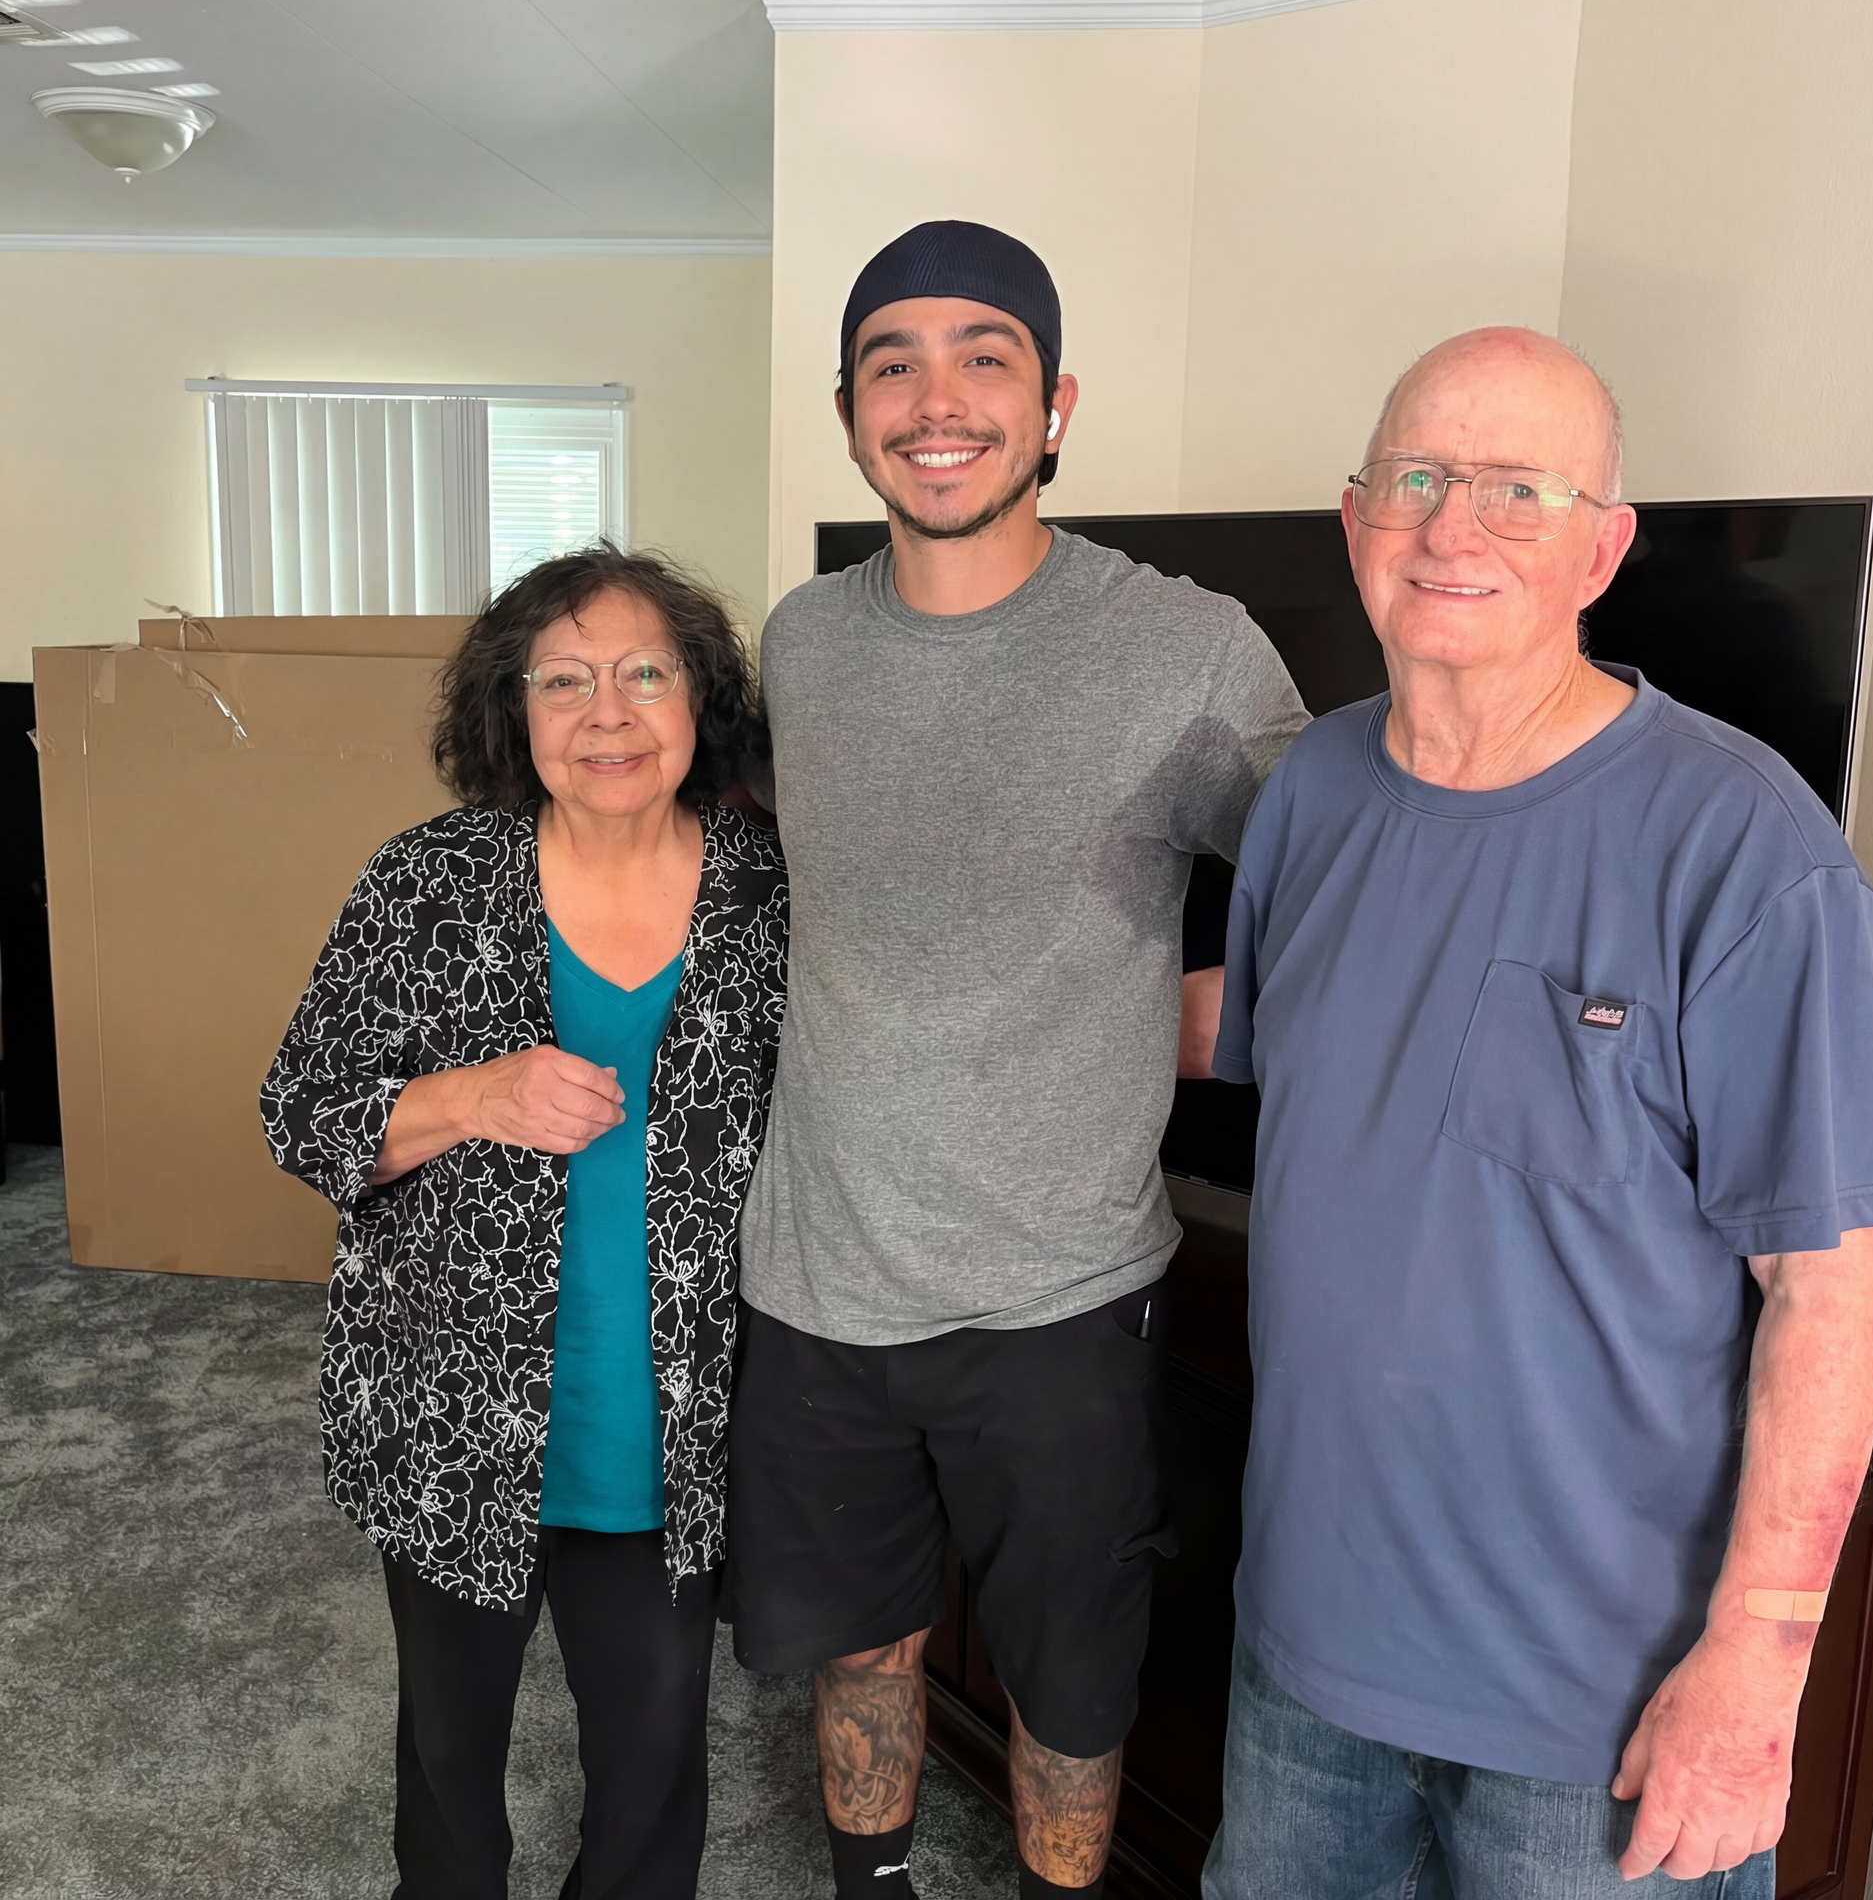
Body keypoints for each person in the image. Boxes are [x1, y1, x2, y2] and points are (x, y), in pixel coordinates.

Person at [1203, 327, 1873, 1896]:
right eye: (1415, 479)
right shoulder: (1309, 797)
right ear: (1354, 520)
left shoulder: (1746, 850)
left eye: (1518, 489)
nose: (1452, 526)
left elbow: (1837, 1284)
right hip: (1304, 1662)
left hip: (1600, 1716)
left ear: (1603, 548)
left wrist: (1759, 1669)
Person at [722, 218, 1311, 1900]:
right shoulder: (803, 640)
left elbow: (1362, 887)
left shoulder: (1186, 648)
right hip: (818, 1281)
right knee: (860, 1651)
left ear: (1055, 406)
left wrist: (1209, 1018)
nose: (937, 399)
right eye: (892, 363)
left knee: (1070, 1694)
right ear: (850, 414)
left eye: (985, 357)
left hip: (1059, 1301)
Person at [261, 546, 788, 1900]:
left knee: (653, 1773)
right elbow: (301, 1111)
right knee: (449, 1768)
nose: (608, 713)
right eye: (564, 681)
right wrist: (469, 1096)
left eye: (644, 673)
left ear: (700, 698)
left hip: (674, 1434)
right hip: (451, 1418)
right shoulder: (427, 881)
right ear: (515, 710)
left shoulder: (772, 892)